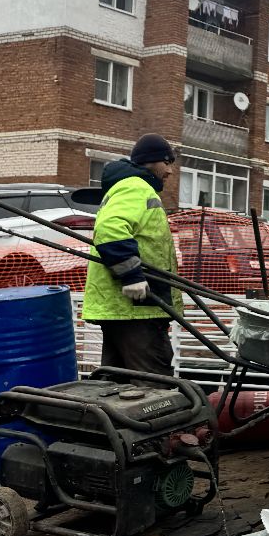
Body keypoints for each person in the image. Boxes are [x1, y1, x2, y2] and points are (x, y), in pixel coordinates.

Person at [81, 134, 183, 374]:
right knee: (153, 383)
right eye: (167, 163)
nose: (170, 171)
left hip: (129, 309)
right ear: (150, 161)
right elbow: (110, 229)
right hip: (136, 309)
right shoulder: (136, 187)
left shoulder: (130, 187)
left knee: (118, 382)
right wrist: (131, 275)